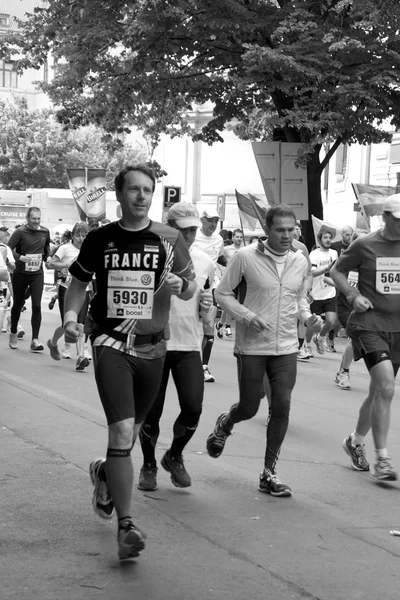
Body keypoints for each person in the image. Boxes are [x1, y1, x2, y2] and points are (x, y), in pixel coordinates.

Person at [63, 164, 196, 560]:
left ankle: (105, 473)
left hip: (154, 347)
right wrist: (71, 319)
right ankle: (126, 526)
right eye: (133, 189)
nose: (141, 196)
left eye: (147, 190)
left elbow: (190, 289)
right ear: (119, 195)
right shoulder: (101, 239)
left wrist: (181, 285)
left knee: (132, 434)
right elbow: (78, 283)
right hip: (111, 341)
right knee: (122, 433)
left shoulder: (170, 238)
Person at [206, 205, 322, 496]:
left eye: (291, 229)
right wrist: (246, 316)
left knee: (281, 406)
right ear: (267, 229)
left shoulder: (299, 261)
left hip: (285, 345)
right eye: (280, 230)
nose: (287, 235)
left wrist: (308, 318)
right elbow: (221, 293)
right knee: (249, 407)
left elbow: (300, 299)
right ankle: (226, 422)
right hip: (252, 345)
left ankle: (269, 473)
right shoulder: (245, 257)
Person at [138, 202, 214, 491]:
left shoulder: (204, 260)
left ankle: (175, 455)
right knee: (151, 411)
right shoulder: (150, 254)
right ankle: (148, 464)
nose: (191, 235)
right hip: (154, 343)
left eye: (194, 229)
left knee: (193, 407)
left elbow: (205, 300)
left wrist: (207, 305)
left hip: (188, 344)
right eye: (184, 230)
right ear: (169, 227)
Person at [330, 195, 400, 481]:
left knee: (378, 392)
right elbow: (337, 271)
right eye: (398, 218)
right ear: (385, 216)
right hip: (370, 324)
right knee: (385, 385)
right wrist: (353, 295)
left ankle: (355, 441)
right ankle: (383, 459)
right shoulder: (365, 244)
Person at [47, 222, 91, 371]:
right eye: (78, 235)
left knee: (81, 322)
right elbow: (51, 264)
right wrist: (67, 265)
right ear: (72, 236)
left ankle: (81, 356)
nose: (81, 238)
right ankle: (54, 343)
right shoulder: (65, 248)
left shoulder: (89, 250)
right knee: (66, 323)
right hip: (67, 288)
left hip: (85, 288)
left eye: (84, 235)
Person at [7, 207, 50, 351]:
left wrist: (47, 257)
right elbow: (8, 250)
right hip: (21, 272)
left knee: (37, 305)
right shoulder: (20, 232)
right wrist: (20, 257)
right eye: (34, 219)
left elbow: (46, 248)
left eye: (39, 218)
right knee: (18, 303)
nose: (37, 221)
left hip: (37, 273)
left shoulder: (44, 231)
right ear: (27, 218)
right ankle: (13, 332)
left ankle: (35, 340)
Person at [193, 207, 227, 382]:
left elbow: (220, 258)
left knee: (208, 323)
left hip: (209, 287)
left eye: (216, 221)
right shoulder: (193, 236)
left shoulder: (219, 239)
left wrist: (232, 264)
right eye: (210, 221)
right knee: (186, 323)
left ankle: (203, 366)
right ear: (202, 220)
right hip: (190, 286)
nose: (213, 224)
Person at [302, 226, 338, 356]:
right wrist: (326, 268)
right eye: (325, 237)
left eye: (329, 238)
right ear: (320, 240)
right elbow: (312, 273)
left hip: (330, 292)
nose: (328, 240)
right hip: (316, 294)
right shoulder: (314, 254)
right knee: (313, 323)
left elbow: (335, 270)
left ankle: (320, 337)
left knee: (331, 321)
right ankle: (306, 345)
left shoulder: (334, 253)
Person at [215, 228, 244, 339]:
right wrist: (222, 269)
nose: (239, 239)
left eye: (241, 237)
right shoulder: (226, 249)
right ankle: (227, 326)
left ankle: (220, 324)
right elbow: (217, 258)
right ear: (233, 238)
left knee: (231, 304)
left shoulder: (245, 249)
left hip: (240, 280)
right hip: (227, 280)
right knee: (228, 304)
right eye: (237, 236)